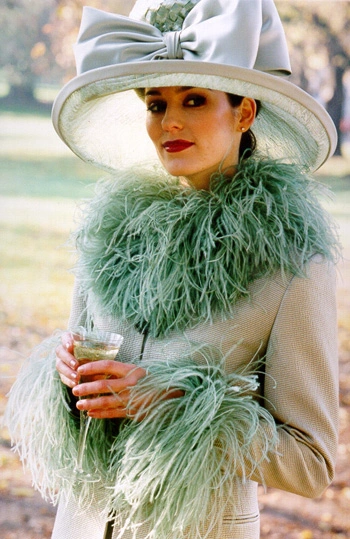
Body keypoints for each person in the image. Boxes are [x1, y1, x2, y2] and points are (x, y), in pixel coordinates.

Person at [5, 1, 340, 539]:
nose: (171, 122)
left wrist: (175, 401)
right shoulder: (108, 235)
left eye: (193, 100)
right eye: (156, 103)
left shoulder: (293, 263)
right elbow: (86, 365)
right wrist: (65, 371)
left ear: (245, 112)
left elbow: (310, 462)